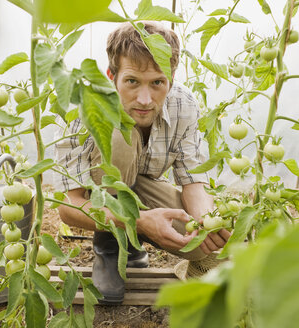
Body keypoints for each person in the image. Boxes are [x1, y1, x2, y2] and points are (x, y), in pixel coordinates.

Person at [55, 21, 231, 304]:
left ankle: (133, 240)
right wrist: (138, 221)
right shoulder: (82, 109)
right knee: (118, 136)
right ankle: (110, 246)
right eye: (132, 81)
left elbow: (193, 181)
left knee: (203, 247)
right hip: (99, 196)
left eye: (158, 83)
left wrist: (205, 221)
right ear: (112, 76)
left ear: (171, 79)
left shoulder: (183, 105)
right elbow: (69, 204)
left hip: (142, 187)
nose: (145, 99)